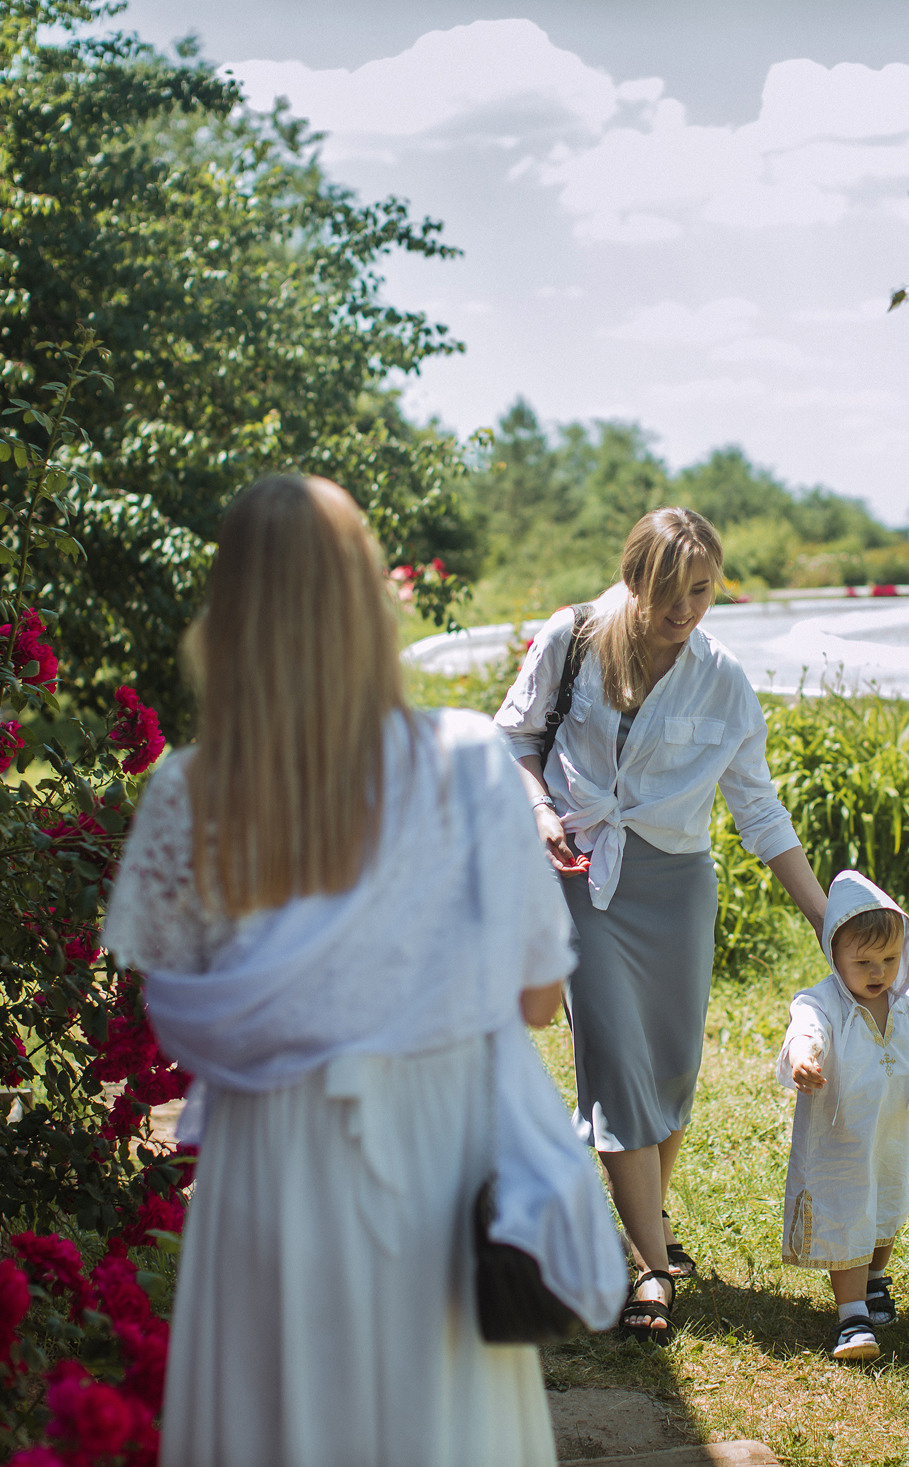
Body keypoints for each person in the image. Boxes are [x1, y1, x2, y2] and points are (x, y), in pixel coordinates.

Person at [101, 474, 576, 1466]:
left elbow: (175, 1006)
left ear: (229, 613)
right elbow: (536, 997)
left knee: (282, 1422)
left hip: (270, 1163)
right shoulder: (470, 765)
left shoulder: (188, 792)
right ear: (372, 599)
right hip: (435, 1161)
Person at [496, 507, 827, 1345]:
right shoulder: (572, 637)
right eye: (667, 592)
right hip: (580, 875)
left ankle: (643, 1223)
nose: (684, 611)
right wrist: (539, 810)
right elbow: (516, 737)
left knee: (672, 1067)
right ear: (633, 579)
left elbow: (757, 808)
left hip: (677, 885)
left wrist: (826, 915)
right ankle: (648, 1264)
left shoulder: (721, 678)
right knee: (613, 1063)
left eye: (702, 591)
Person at [776, 870, 909, 1363]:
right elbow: (806, 1030)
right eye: (863, 961)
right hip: (839, 1137)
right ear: (834, 956)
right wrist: (803, 1057)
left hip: (890, 1132)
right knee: (847, 1208)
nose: (878, 971)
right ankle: (851, 1316)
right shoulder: (822, 1001)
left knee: (885, 1204)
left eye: (889, 959)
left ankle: (875, 1278)